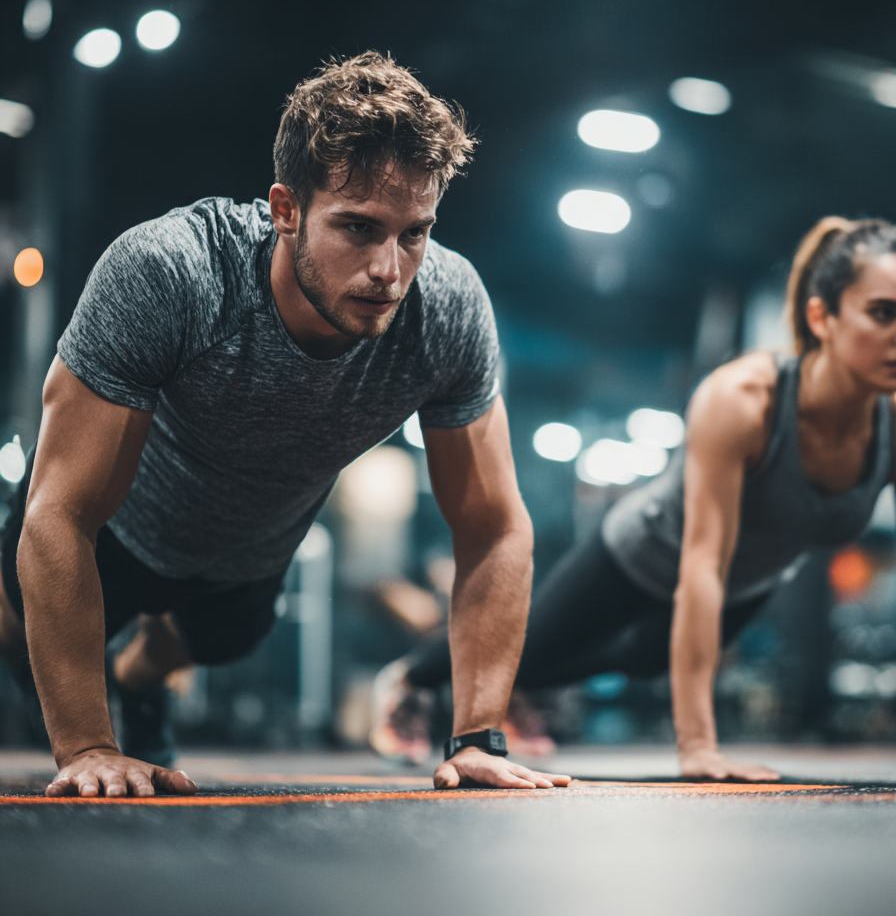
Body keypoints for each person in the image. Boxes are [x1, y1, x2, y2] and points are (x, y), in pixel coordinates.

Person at [0, 52, 569, 797]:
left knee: (220, 641)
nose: (388, 270)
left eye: (412, 234)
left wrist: (476, 738)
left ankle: (139, 678)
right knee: (11, 636)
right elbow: (60, 514)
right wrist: (86, 748)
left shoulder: (447, 309)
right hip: (113, 532)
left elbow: (493, 528)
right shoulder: (171, 273)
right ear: (285, 209)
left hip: (246, 554)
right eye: (358, 227)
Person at [375, 216, 896, 781]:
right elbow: (703, 562)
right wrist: (699, 747)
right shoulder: (742, 399)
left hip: (745, 583)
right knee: (533, 642)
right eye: (885, 313)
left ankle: (513, 686)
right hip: (644, 551)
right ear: (821, 317)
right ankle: (408, 676)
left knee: (638, 660)